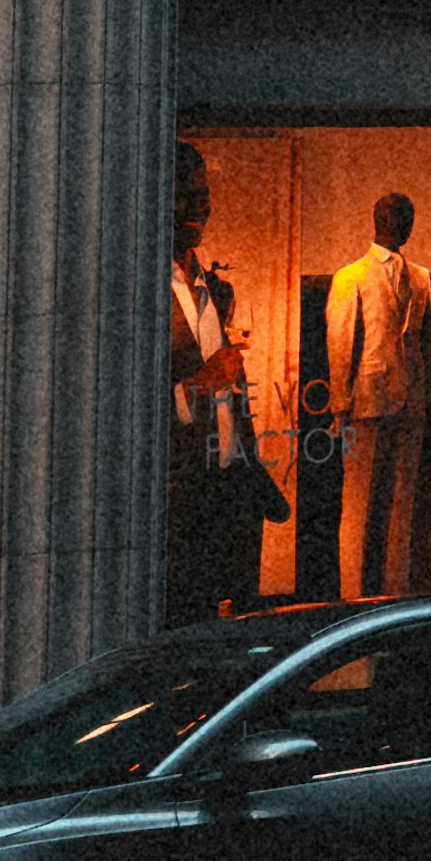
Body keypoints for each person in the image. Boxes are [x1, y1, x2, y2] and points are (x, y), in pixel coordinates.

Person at [162, 151, 272, 622]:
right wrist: (197, 385)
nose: (197, 207)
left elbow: (232, 385)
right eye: (184, 195)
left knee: (232, 630)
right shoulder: (137, 288)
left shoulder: (217, 291)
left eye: (203, 195)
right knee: (182, 625)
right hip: (177, 496)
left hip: (231, 490)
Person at [318, 190, 431, 602]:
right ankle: (352, 595)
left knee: (401, 504)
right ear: (377, 220)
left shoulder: (421, 277)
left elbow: (420, 339)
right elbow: (339, 340)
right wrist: (340, 404)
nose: (402, 223)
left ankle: (394, 593)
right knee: (359, 502)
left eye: (408, 216)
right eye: (394, 215)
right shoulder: (351, 275)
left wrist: (423, 395)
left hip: (410, 400)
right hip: (366, 399)